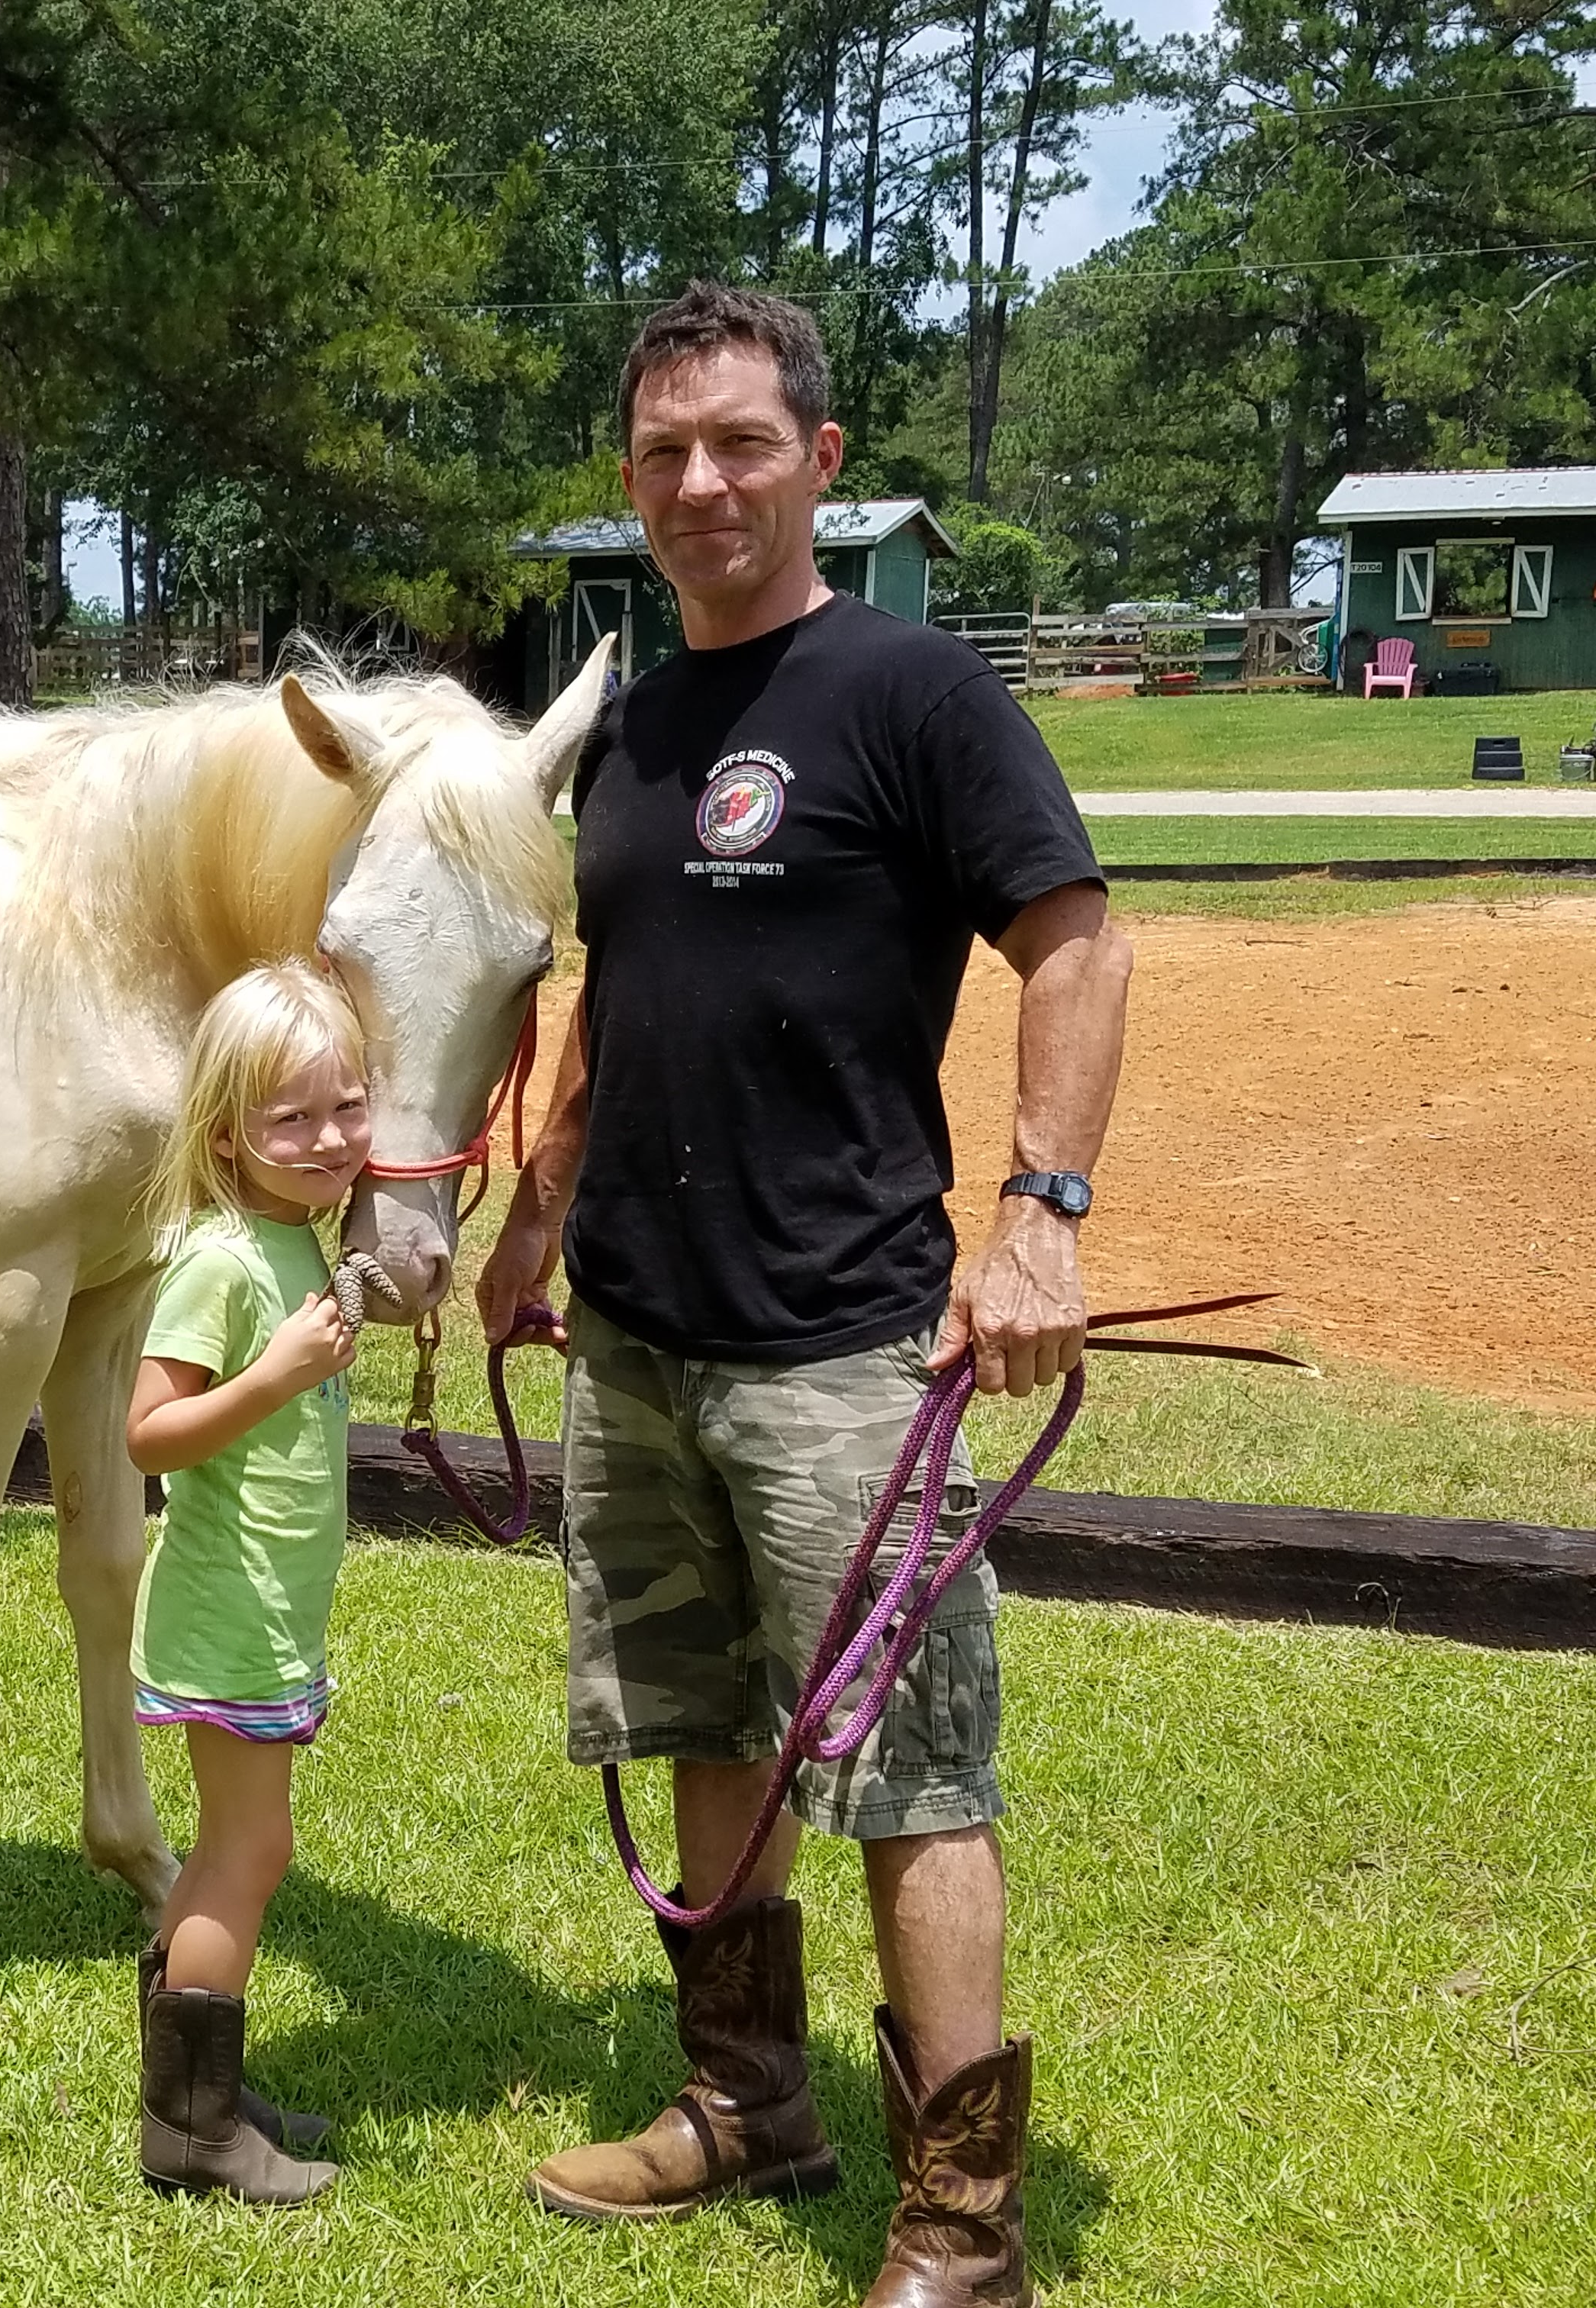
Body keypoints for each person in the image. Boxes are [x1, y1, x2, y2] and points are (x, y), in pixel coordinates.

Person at [475, 282, 1130, 2306]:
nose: (703, 482)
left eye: (742, 443)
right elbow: (616, 989)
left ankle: (963, 2228)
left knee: (909, 1776)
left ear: (821, 464)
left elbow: (1077, 943)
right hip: (639, 1334)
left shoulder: (913, 695)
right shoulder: (636, 727)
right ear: (631, 478)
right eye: (666, 450)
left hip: (849, 1346)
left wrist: (1041, 1213)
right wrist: (538, 1202)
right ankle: (748, 2103)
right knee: (698, 1722)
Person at [122, 959, 372, 2206]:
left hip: (263, 1612)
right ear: (227, 1133)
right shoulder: (223, 1263)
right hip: (227, 1618)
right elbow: (149, 1434)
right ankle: (193, 2128)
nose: (329, 1138)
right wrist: (273, 1377)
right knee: (248, 1852)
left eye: (349, 1106)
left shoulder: (291, 1241)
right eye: (292, 1118)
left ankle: (199, 2082)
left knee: (235, 1848)